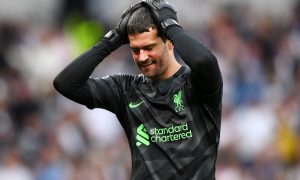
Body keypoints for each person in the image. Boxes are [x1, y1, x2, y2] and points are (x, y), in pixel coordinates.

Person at [53, 0, 223, 179]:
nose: (142, 57)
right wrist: (112, 39)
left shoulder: (197, 84)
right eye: (136, 50)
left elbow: (204, 62)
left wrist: (172, 27)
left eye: (149, 48)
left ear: (170, 43)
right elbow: (66, 84)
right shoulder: (126, 90)